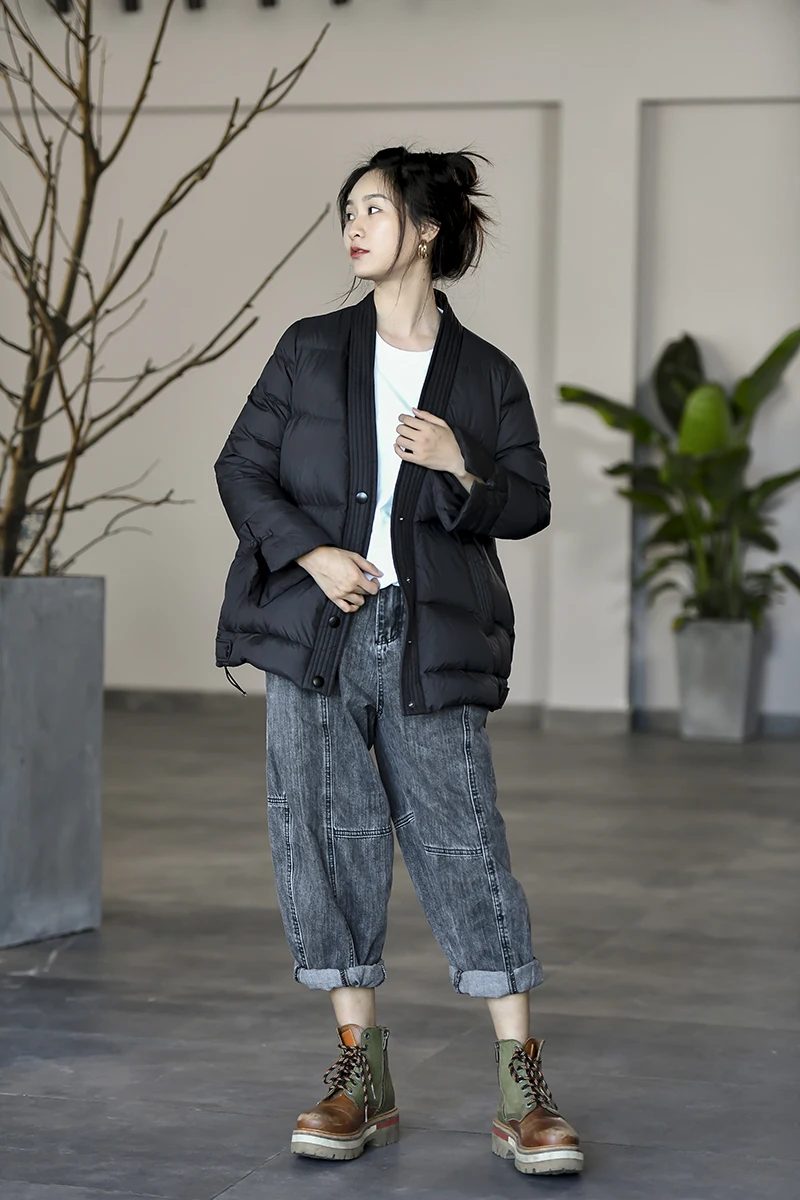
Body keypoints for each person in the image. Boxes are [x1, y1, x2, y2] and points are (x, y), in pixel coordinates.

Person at [213, 146, 583, 1177]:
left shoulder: (486, 374)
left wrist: (460, 463)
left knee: (464, 843)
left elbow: (529, 502)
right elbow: (240, 468)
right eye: (349, 210)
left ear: (426, 228)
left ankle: (522, 1088)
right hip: (318, 633)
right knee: (325, 841)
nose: (353, 225)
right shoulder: (307, 349)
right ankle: (358, 1076)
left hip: (431, 636)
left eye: (374, 209)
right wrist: (312, 554)